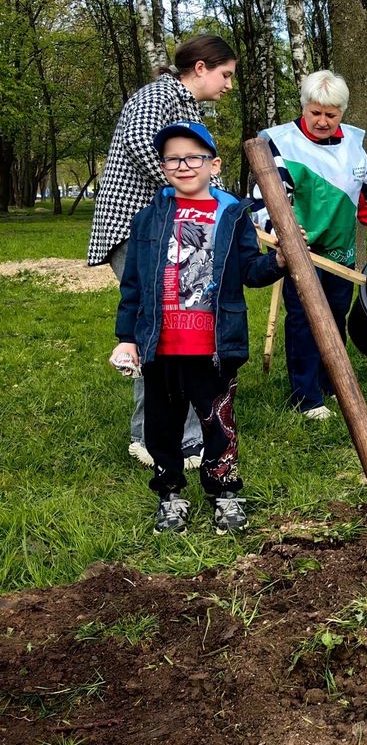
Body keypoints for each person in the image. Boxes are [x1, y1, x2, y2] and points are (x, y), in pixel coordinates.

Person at [110, 122, 286, 534]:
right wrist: (127, 339)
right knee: (162, 426)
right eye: (173, 158)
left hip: (213, 346)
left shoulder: (232, 214)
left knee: (217, 422)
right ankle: (170, 494)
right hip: (160, 346)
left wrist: (277, 263)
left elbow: (249, 271)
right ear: (163, 165)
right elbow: (133, 285)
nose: (183, 165)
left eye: (193, 157)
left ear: (214, 164)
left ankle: (224, 493)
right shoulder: (148, 219)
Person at [88, 35, 239, 469]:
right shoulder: (159, 94)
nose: (228, 84)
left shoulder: (185, 106)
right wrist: (192, 190)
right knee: (158, 331)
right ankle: (160, 438)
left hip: (170, 229)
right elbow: (139, 143)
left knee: (173, 323)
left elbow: (198, 166)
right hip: (139, 229)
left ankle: (161, 435)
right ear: (200, 68)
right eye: (224, 74)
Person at [253, 70, 367, 419]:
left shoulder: (352, 143)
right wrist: (280, 233)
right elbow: (266, 197)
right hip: (299, 252)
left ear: (342, 112)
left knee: (336, 316)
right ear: (304, 107)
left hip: (340, 252)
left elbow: (365, 191)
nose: (322, 121)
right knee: (307, 320)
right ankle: (305, 396)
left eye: (331, 114)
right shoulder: (280, 142)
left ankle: (329, 381)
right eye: (315, 112)